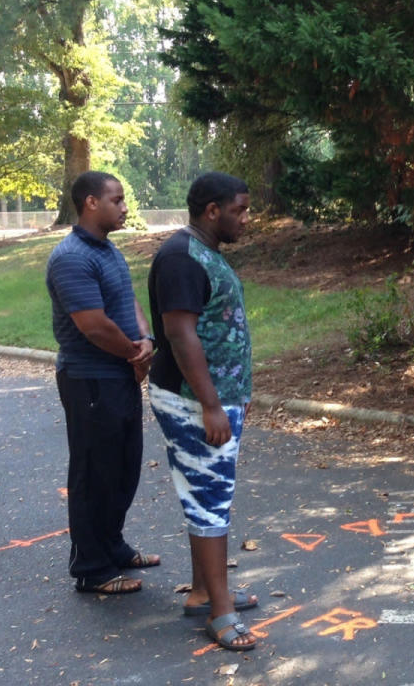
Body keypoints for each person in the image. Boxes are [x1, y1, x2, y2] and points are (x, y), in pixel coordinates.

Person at [147, 171, 257, 652]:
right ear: (212, 211)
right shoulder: (181, 257)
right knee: (210, 501)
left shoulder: (203, 252)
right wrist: (212, 404)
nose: (246, 219)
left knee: (207, 498)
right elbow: (180, 334)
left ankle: (203, 593)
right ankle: (221, 612)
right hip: (194, 402)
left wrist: (235, 394)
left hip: (216, 400)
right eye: (240, 209)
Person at [46, 170, 159, 595]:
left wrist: (146, 339)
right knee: (94, 472)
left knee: (123, 466)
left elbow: (126, 301)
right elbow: (93, 326)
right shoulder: (72, 256)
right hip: (89, 379)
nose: (125, 207)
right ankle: (91, 567)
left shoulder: (108, 252)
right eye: (117, 199)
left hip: (118, 375)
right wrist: (135, 354)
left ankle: (112, 546)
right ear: (91, 203)